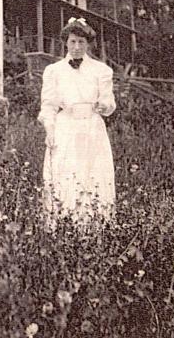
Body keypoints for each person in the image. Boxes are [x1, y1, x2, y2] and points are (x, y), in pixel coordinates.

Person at [38, 17, 116, 222]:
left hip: (92, 126)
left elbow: (109, 102)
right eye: (72, 41)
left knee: (93, 173)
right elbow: (48, 106)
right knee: (66, 173)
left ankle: (94, 224)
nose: (77, 47)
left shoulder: (101, 70)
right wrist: (50, 131)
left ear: (88, 44)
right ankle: (64, 222)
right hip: (66, 127)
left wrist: (104, 105)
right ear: (65, 42)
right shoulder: (54, 71)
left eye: (82, 42)